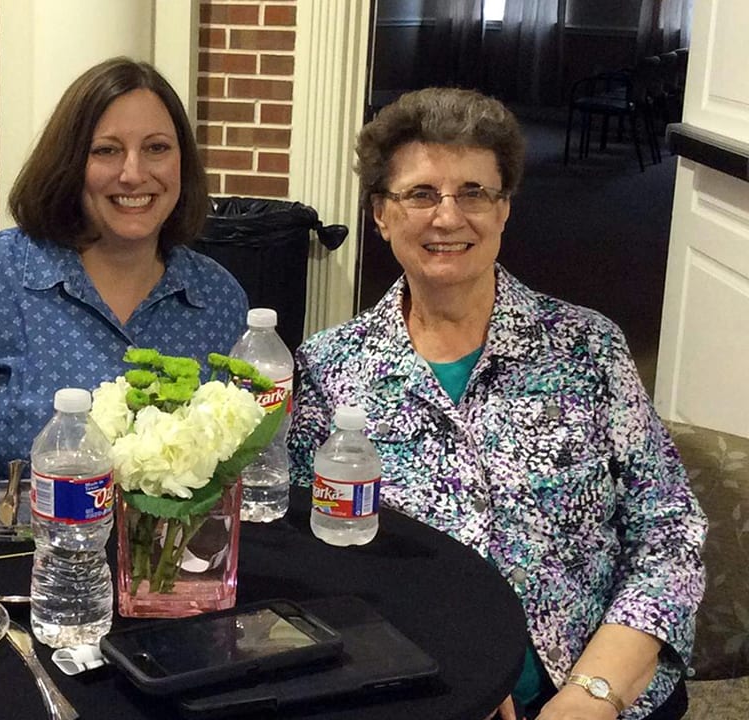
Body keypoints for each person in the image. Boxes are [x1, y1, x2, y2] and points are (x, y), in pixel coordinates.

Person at [288, 88, 705, 720]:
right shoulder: (327, 369)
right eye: (421, 194)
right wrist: (448, 677)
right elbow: (315, 562)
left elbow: (669, 531)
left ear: (505, 207)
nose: (448, 218)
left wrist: (593, 694)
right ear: (380, 214)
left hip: (604, 692)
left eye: (475, 192)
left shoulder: (588, 349)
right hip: (422, 693)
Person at [0, 57, 248, 516]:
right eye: (106, 151)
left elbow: (236, 477)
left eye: (156, 148)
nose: (133, 173)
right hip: (3, 567)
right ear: (70, 162)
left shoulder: (218, 298)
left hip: (167, 572)